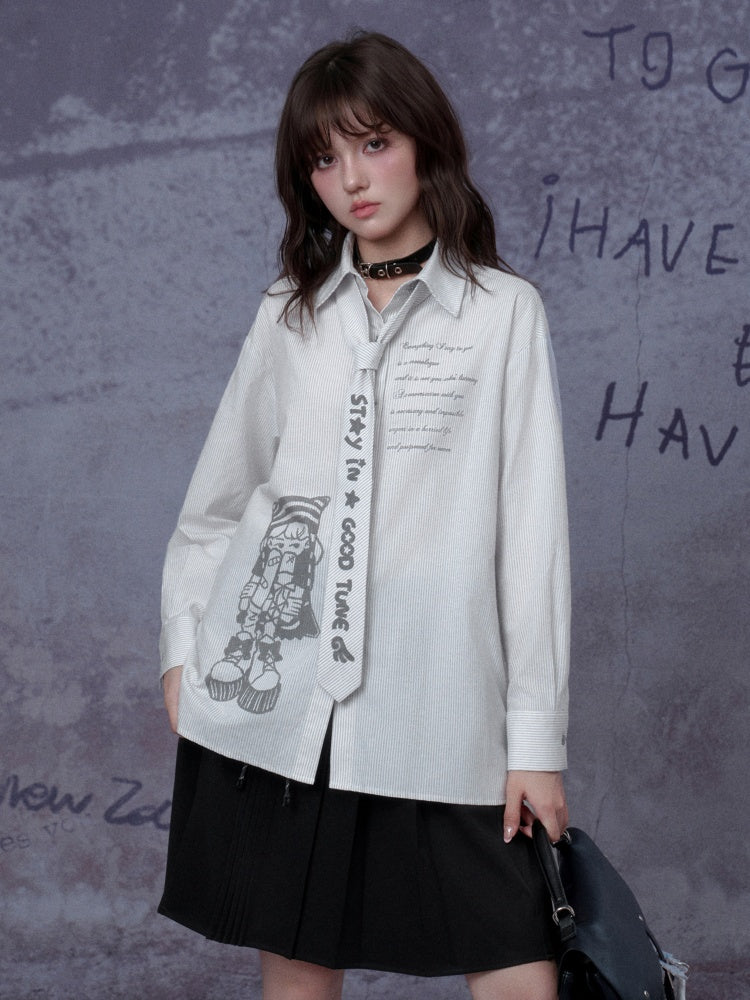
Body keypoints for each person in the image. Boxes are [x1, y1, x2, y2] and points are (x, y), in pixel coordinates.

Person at [158, 31, 570, 1000]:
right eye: (323, 158)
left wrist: (535, 743)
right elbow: (217, 505)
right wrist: (183, 649)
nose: (351, 179)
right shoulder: (290, 313)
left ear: (425, 142)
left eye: (374, 143)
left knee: (519, 969)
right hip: (285, 713)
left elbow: (532, 541)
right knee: (299, 979)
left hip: (442, 708)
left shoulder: (503, 313)